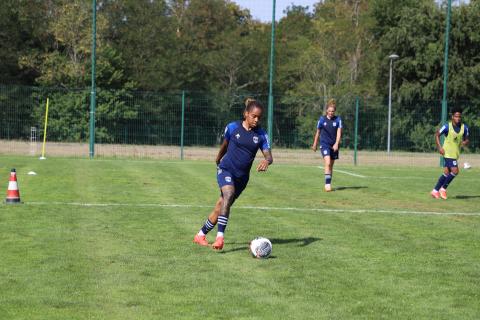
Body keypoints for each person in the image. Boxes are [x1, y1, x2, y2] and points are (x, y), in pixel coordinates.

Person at [193, 98, 273, 250]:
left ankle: (200, 235)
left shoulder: (262, 135)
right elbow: (225, 144)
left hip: (242, 178)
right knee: (228, 194)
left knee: (222, 205)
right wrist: (218, 159)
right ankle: (220, 238)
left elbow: (269, 155)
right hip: (226, 169)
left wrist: (266, 161)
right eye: (253, 116)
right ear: (246, 114)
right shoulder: (232, 127)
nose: (256, 120)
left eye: (259, 117)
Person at [431, 107, 469, 200]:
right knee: (455, 171)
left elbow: (467, 139)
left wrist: (465, 142)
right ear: (452, 117)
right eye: (456, 116)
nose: (458, 118)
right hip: (447, 152)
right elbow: (437, 135)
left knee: (446, 172)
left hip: (455, 154)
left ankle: (435, 191)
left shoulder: (465, 128)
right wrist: (439, 147)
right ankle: (443, 189)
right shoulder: (447, 126)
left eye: (459, 116)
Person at [311, 99, 343, 192]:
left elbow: (339, 132)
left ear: (334, 111)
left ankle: (329, 182)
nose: (331, 113)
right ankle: (327, 184)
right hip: (324, 144)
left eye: (332, 111)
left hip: (334, 145)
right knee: (328, 163)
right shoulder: (322, 119)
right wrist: (314, 144)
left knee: (331, 166)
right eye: (329, 111)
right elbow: (318, 132)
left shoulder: (338, 120)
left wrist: (337, 143)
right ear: (326, 111)